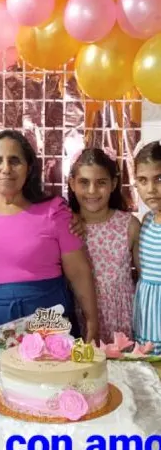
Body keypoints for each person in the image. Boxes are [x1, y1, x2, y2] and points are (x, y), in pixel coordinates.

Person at [0, 130, 98, 341]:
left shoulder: (55, 211)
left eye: (15, 161)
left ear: (29, 168)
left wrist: (92, 323)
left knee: (49, 370)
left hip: (48, 316)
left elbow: (79, 272)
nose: (6, 169)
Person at [68, 147, 140, 344]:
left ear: (113, 184)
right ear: (72, 183)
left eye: (101, 183)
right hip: (80, 314)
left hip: (123, 319)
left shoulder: (130, 225)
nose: (92, 191)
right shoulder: (67, 226)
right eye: (84, 182)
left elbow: (145, 278)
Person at [132, 140, 161, 354]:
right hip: (146, 323)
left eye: (159, 179)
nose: (151, 189)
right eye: (143, 180)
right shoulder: (146, 222)